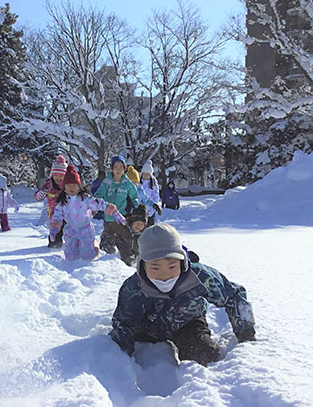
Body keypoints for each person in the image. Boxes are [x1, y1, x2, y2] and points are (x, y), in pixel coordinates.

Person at [109, 223, 256, 366]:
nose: (164, 275)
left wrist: (246, 334)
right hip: (147, 328)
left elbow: (235, 295)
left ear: (182, 261)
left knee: (204, 355)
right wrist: (121, 356)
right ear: (143, 264)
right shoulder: (133, 287)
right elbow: (123, 322)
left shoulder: (200, 276)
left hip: (188, 323)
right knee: (116, 346)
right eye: (155, 267)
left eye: (172, 266)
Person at [49, 166, 122, 260]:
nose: (71, 187)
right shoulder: (63, 202)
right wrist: (55, 225)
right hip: (70, 230)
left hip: (85, 229)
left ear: (79, 186)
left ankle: (94, 248)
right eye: (68, 185)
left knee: (87, 257)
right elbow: (58, 215)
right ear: (64, 187)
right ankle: (77, 249)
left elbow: (99, 203)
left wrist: (110, 209)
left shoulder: (85, 199)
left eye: (74, 185)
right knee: (70, 257)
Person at [94, 155, 149, 265]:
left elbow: (134, 194)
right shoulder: (107, 182)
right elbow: (98, 195)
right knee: (106, 243)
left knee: (124, 239)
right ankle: (107, 260)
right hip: (109, 218)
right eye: (116, 166)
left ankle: (130, 256)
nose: (118, 169)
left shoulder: (126, 182)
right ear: (112, 168)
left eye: (121, 167)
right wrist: (101, 203)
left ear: (124, 168)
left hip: (121, 218)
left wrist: (136, 203)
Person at [35, 155, 68, 247]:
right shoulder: (48, 185)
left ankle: (72, 245)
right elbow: (37, 196)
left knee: (70, 231)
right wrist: (40, 194)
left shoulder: (67, 186)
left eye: (61, 176)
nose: (58, 178)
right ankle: (54, 245)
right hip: (54, 214)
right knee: (56, 231)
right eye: (56, 175)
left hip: (66, 213)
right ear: (52, 175)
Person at [139, 160, 162, 226]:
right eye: (144, 174)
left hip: (150, 210)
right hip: (141, 210)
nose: (146, 176)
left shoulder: (153, 184)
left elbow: (156, 195)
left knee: (149, 228)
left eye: (148, 174)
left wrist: (153, 206)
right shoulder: (139, 183)